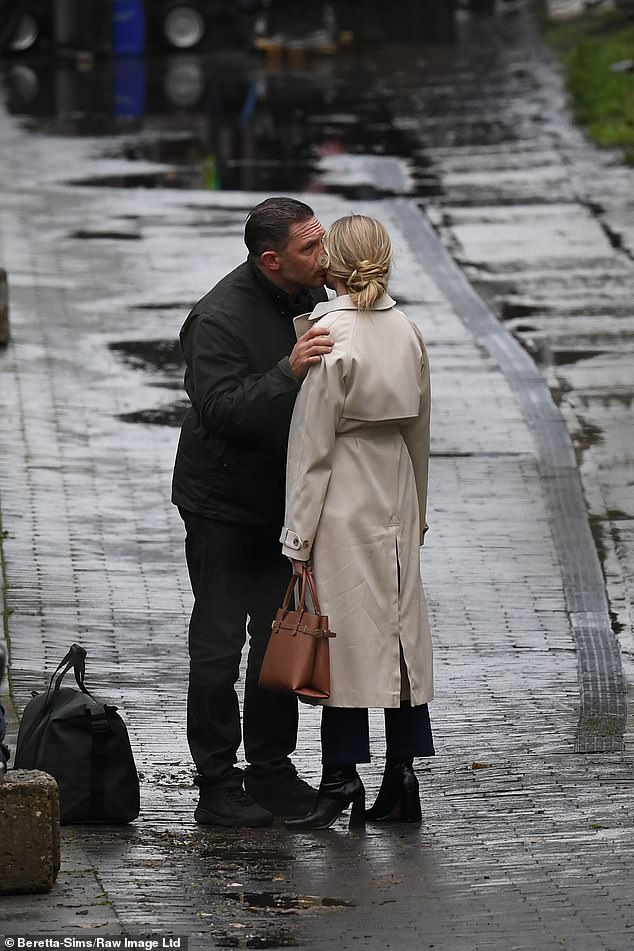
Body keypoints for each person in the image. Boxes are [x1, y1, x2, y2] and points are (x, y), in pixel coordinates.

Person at [171, 197, 334, 827]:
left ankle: (272, 771)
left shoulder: (308, 297)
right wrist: (287, 372)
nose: (325, 259)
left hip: (282, 504)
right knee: (218, 643)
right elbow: (222, 411)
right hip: (221, 506)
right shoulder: (216, 318)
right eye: (310, 250)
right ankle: (216, 783)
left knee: (277, 640)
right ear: (272, 260)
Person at [279, 214, 435, 831]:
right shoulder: (408, 331)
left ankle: (340, 773)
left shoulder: (328, 334)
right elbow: (421, 432)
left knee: (337, 640)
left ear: (334, 266)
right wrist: (418, 509)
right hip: (395, 483)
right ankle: (403, 775)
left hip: (343, 492)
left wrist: (297, 533)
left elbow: (310, 444)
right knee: (399, 639)